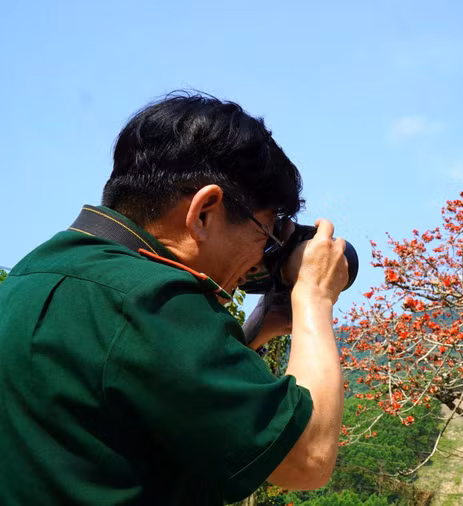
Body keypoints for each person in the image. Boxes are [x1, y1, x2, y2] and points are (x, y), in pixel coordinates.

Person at [0, 92, 348, 504]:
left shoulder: (33, 273)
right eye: (267, 233)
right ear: (204, 211)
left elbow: (136, 378)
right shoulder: (152, 298)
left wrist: (253, 332)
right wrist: (314, 296)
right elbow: (306, 459)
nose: (261, 258)